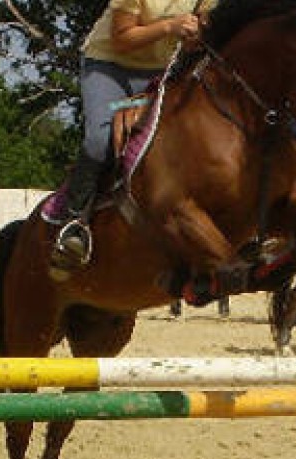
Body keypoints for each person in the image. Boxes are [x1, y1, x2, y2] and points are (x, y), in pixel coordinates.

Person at [53, 0, 212, 270]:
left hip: (162, 70)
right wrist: (170, 26)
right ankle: (73, 222)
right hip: (110, 65)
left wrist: (197, 39)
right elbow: (121, 40)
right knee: (100, 139)